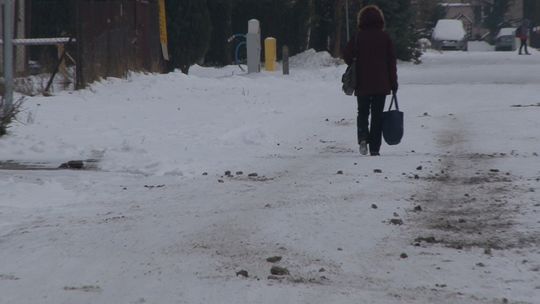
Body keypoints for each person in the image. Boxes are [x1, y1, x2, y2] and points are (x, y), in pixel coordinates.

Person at [342, 5, 398, 156]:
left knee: (363, 112)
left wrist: (355, 62)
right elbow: (391, 62)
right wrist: (393, 83)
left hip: (362, 82)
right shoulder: (385, 37)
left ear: (361, 20)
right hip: (381, 83)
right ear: (380, 20)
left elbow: (346, 54)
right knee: (377, 115)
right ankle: (375, 148)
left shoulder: (358, 36)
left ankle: (362, 138)